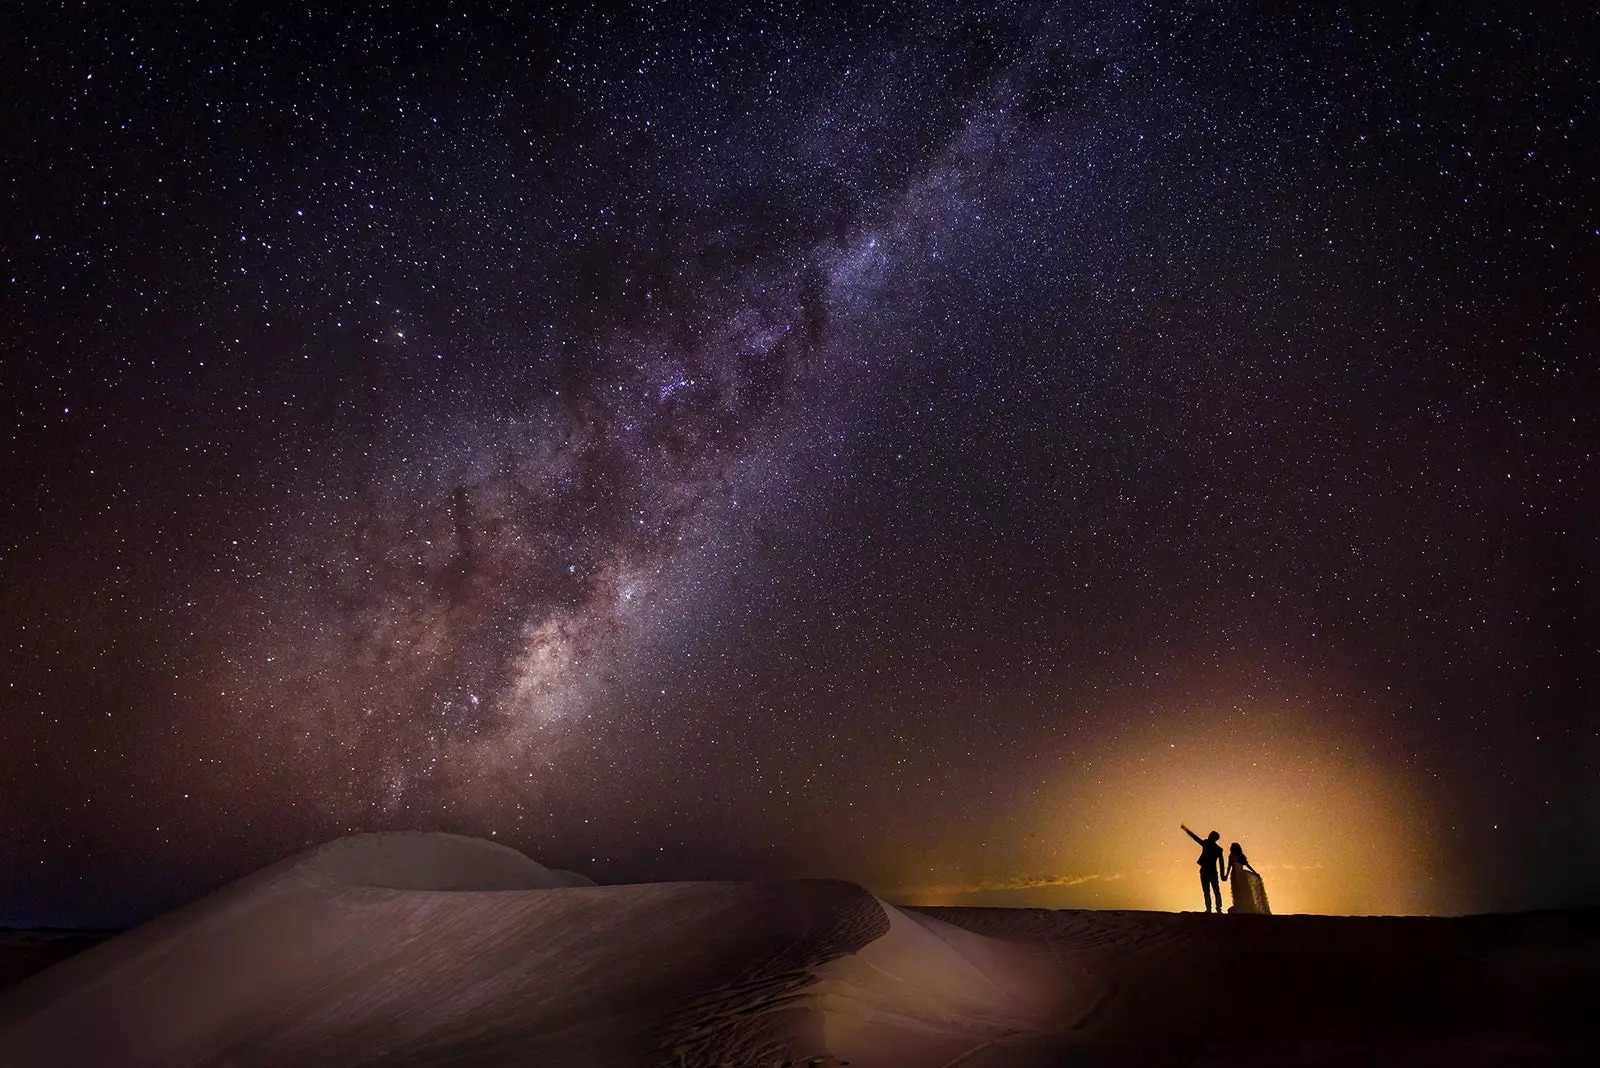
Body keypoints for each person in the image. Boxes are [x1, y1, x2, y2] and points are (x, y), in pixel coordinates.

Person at [1180, 824, 1226, 913]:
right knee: (1215, 890)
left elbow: (1195, 838)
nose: (1208, 836)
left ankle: (1210, 909)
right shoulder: (1218, 849)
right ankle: (1217, 909)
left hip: (1206, 870)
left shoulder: (1207, 844)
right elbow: (1221, 863)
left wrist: (1186, 830)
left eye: (1210, 835)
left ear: (1212, 837)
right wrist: (1222, 875)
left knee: (1208, 891)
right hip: (1212, 871)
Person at [1225, 842, 1271, 914]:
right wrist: (1226, 876)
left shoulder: (1234, 856)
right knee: (1238, 891)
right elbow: (1231, 866)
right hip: (1237, 874)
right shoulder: (1236, 856)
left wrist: (1254, 872)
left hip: (1238, 874)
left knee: (1241, 891)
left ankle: (1243, 907)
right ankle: (1241, 906)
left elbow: (1230, 867)